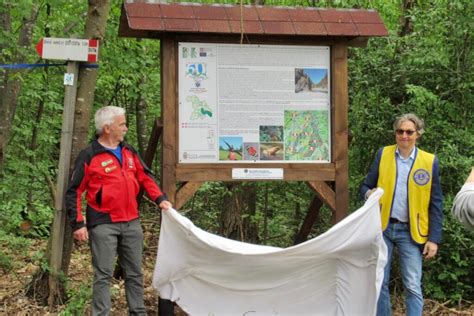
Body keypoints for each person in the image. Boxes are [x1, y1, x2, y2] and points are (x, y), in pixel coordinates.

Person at [66, 106, 172, 315]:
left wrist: (160, 199)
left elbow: (145, 177)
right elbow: (74, 191)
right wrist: (78, 223)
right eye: (121, 124)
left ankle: (138, 312)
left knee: (135, 273)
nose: (125, 128)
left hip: (132, 221)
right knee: (103, 275)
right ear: (107, 128)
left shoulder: (129, 150)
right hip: (103, 223)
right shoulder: (89, 155)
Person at [360, 113, 443, 316]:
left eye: (409, 132)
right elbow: (364, 186)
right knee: (380, 283)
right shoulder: (383, 154)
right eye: (400, 131)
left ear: (418, 134)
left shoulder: (429, 161)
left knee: (413, 285)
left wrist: (434, 239)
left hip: (412, 232)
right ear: (395, 133)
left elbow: (436, 203)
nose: (404, 135)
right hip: (384, 228)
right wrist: (369, 194)